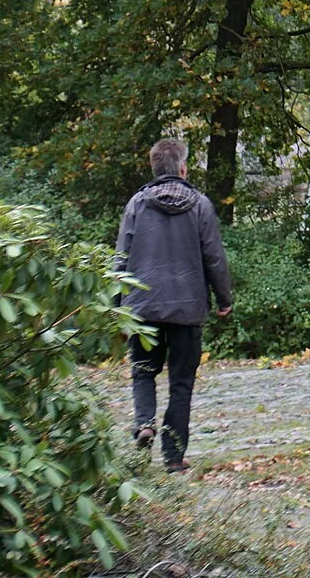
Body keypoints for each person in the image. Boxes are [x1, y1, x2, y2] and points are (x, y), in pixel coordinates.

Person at [115, 137, 232, 472]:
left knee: (143, 371)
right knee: (181, 383)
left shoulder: (137, 204)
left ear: (153, 167)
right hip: (187, 309)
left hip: (142, 307)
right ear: (183, 168)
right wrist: (224, 299)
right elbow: (214, 258)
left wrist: (117, 310)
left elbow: (119, 261)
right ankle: (174, 457)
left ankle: (144, 423)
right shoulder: (201, 205)